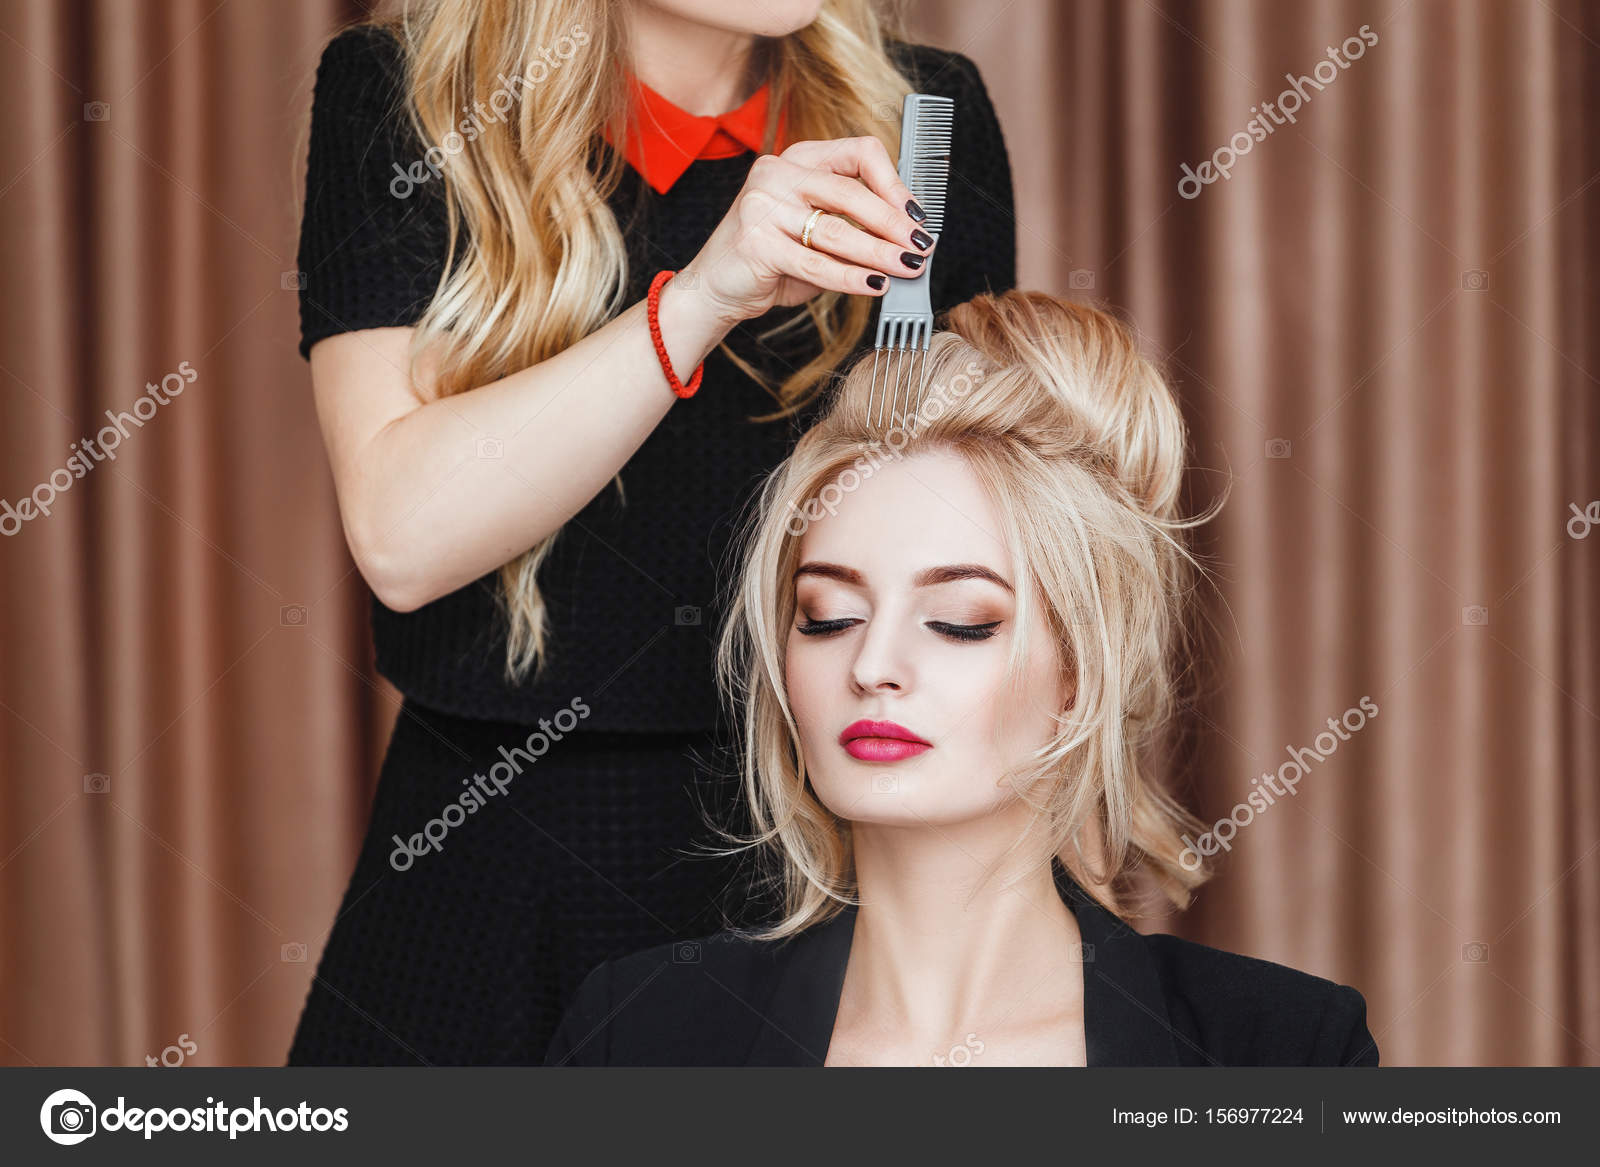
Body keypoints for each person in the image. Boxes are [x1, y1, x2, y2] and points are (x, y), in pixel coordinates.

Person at [286, 0, 1017, 1066]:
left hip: (822, 858)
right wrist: (708, 294)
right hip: (490, 873)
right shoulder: (409, 97)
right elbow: (404, 539)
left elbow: (981, 525)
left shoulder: (922, 112)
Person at [542, 290, 1381, 1067]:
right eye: (828, 616)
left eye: (960, 622)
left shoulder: (1281, 1049)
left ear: (1079, 674)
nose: (871, 667)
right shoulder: (640, 1034)